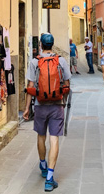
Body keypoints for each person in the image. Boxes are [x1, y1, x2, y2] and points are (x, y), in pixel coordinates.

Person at [23, 33, 71, 192]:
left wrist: (26, 108)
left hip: (39, 105)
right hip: (57, 105)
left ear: (42, 45)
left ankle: (43, 165)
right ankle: (50, 178)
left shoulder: (35, 62)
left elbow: (30, 87)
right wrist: (62, 100)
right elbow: (67, 85)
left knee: (40, 136)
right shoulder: (61, 61)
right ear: (53, 44)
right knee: (54, 139)